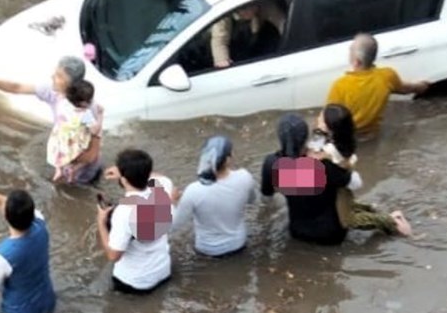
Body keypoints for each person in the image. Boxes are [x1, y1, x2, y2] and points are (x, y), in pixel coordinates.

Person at [0, 55, 104, 184]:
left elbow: (91, 153)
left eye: (59, 76)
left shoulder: (86, 108)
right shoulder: (53, 92)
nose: (52, 77)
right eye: (55, 73)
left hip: (85, 172)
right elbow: (17, 87)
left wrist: (72, 166)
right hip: (66, 159)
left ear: (73, 84)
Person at [312, 104, 412, 236]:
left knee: (347, 220)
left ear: (329, 128)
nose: (318, 118)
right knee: (348, 203)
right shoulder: (342, 140)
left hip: (340, 185)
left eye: (321, 118)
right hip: (342, 181)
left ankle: (391, 222)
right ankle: (372, 209)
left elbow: (315, 156)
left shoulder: (329, 151)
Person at [260, 114, 351, 246]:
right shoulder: (323, 165)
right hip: (332, 234)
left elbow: (267, 194)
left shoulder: (271, 164)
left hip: (298, 232)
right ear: (306, 137)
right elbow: (349, 181)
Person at [96, 149, 175, 294]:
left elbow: (113, 256)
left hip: (135, 282)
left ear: (124, 180)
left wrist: (101, 222)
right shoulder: (163, 186)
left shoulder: (124, 212)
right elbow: (159, 177)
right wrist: (132, 171)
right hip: (163, 271)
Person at [326, 33, 430, 138]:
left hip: (347, 139)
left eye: (351, 49)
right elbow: (406, 88)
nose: (349, 51)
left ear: (357, 62)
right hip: (372, 135)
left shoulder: (340, 85)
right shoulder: (387, 76)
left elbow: (327, 119)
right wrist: (422, 86)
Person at [172, 135, 256, 257]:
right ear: (228, 159)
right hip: (238, 244)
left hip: (207, 250)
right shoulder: (245, 177)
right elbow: (252, 200)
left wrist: (171, 202)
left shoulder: (193, 191)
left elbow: (174, 225)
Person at [46, 78, 98, 183]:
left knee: (60, 157)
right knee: (88, 158)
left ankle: (59, 170)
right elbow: (94, 130)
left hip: (60, 137)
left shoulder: (62, 103)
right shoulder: (85, 114)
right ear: (84, 103)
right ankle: (73, 169)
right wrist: (100, 115)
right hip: (73, 142)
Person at [210, 0, 287, 68]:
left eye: (254, 6)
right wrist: (222, 61)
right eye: (245, 9)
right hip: (234, 44)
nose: (252, 9)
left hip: (256, 38)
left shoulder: (264, 5)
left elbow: (281, 23)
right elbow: (219, 40)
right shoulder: (224, 16)